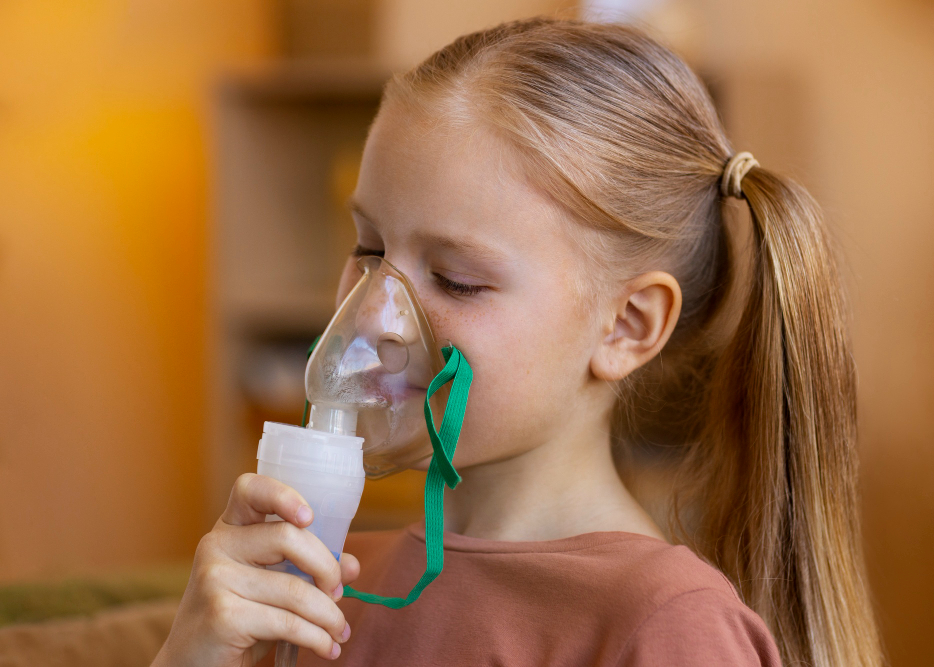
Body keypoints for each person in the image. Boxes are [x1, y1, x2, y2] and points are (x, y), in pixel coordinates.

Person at [153, 17, 882, 667]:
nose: (373, 315)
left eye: (457, 279)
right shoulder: (336, 591)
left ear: (627, 325)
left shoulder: (664, 628)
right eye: (370, 250)